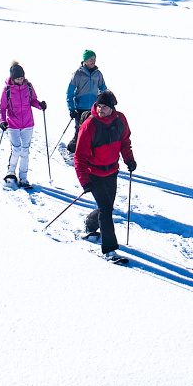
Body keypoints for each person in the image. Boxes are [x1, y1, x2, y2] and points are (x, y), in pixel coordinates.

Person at [73, 90, 135, 265]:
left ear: (112, 108)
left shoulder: (120, 120)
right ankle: (109, 250)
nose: (101, 109)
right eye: (99, 106)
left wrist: (129, 160)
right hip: (94, 174)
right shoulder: (89, 125)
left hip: (112, 171)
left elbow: (125, 142)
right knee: (106, 211)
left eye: (105, 107)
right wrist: (84, 180)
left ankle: (90, 224)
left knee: (107, 207)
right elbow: (79, 156)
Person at [0, 61, 46, 189]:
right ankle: (10, 173)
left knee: (25, 151)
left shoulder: (28, 86)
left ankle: (23, 178)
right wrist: (2, 121)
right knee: (16, 149)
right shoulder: (7, 90)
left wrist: (40, 105)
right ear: (13, 78)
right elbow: (2, 108)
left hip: (28, 123)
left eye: (22, 77)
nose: (20, 80)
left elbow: (33, 100)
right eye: (18, 78)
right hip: (13, 124)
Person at [63, 49, 107, 152]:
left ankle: (90, 151)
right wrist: (72, 109)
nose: (93, 61)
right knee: (80, 131)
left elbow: (103, 89)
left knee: (93, 131)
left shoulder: (98, 74)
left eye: (94, 59)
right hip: (80, 109)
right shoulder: (78, 74)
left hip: (94, 108)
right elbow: (70, 93)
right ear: (85, 60)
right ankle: (73, 149)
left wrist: (107, 101)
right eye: (91, 59)